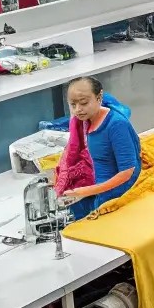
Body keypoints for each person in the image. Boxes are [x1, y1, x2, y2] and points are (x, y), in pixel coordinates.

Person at [56, 76, 141, 219]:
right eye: (73, 104)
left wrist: (87, 191)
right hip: (95, 183)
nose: (78, 110)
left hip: (114, 191)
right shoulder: (82, 121)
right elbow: (71, 151)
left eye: (83, 103)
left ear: (99, 96)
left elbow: (128, 172)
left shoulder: (116, 125)